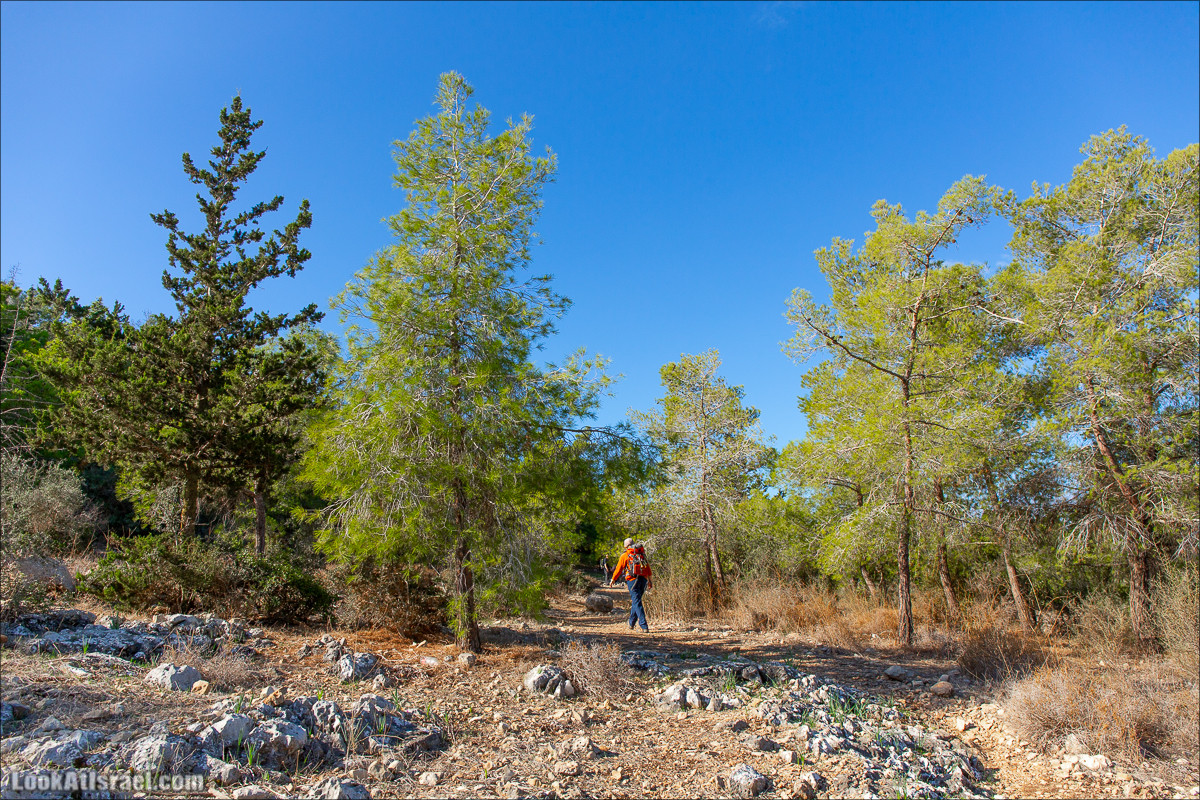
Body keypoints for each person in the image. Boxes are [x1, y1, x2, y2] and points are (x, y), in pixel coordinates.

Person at [610, 537, 652, 632]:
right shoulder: (642, 554)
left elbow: (619, 569)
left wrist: (613, 579)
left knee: (636, 602)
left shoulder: (625, 555)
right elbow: (648, 568)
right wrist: (650, 581)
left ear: (625, 546)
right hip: (644, 580)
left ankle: (643, 625)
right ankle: (631, 623)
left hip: (632, 580)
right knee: (636, 601)